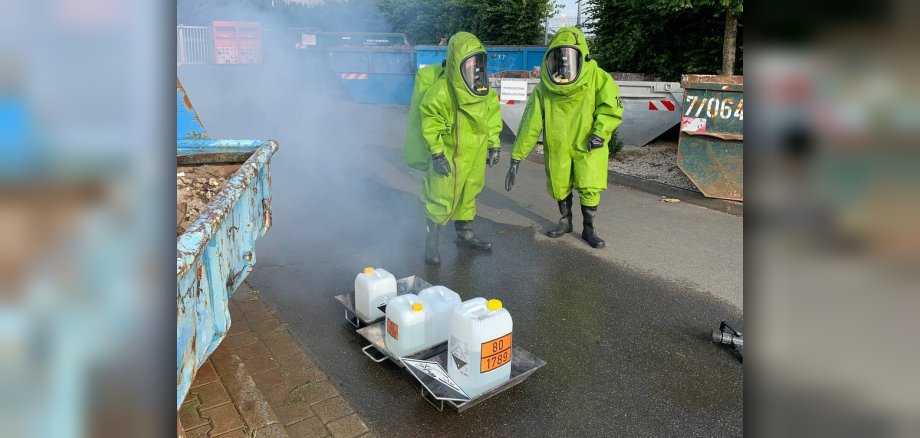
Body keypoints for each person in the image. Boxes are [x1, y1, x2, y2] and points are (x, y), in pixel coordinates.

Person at [504, 27, 623, 248]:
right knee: (559, 182)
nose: (565, 62)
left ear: (582, 56)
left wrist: (600, 133)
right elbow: (530, 124)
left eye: (569, 56)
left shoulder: (598, 78)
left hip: (588, 143)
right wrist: (516, 157)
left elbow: (610, 109)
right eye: (559, 56)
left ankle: (589, 228)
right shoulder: (545, 88)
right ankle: (565, 221)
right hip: (558, 144)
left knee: (590, 184)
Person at [412, 32, 503, 265]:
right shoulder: (442, 91)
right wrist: (437, 153)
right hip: (449, 156)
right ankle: (431, 244)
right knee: (440, 198)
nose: (475, 68)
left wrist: (494, 145)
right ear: (456, 63)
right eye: (470, 63)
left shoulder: (483, 93)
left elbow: (492, 118)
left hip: (474, 155)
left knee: (468, 194)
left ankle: (465, 235)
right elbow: (430, 123)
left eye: (478, 62)